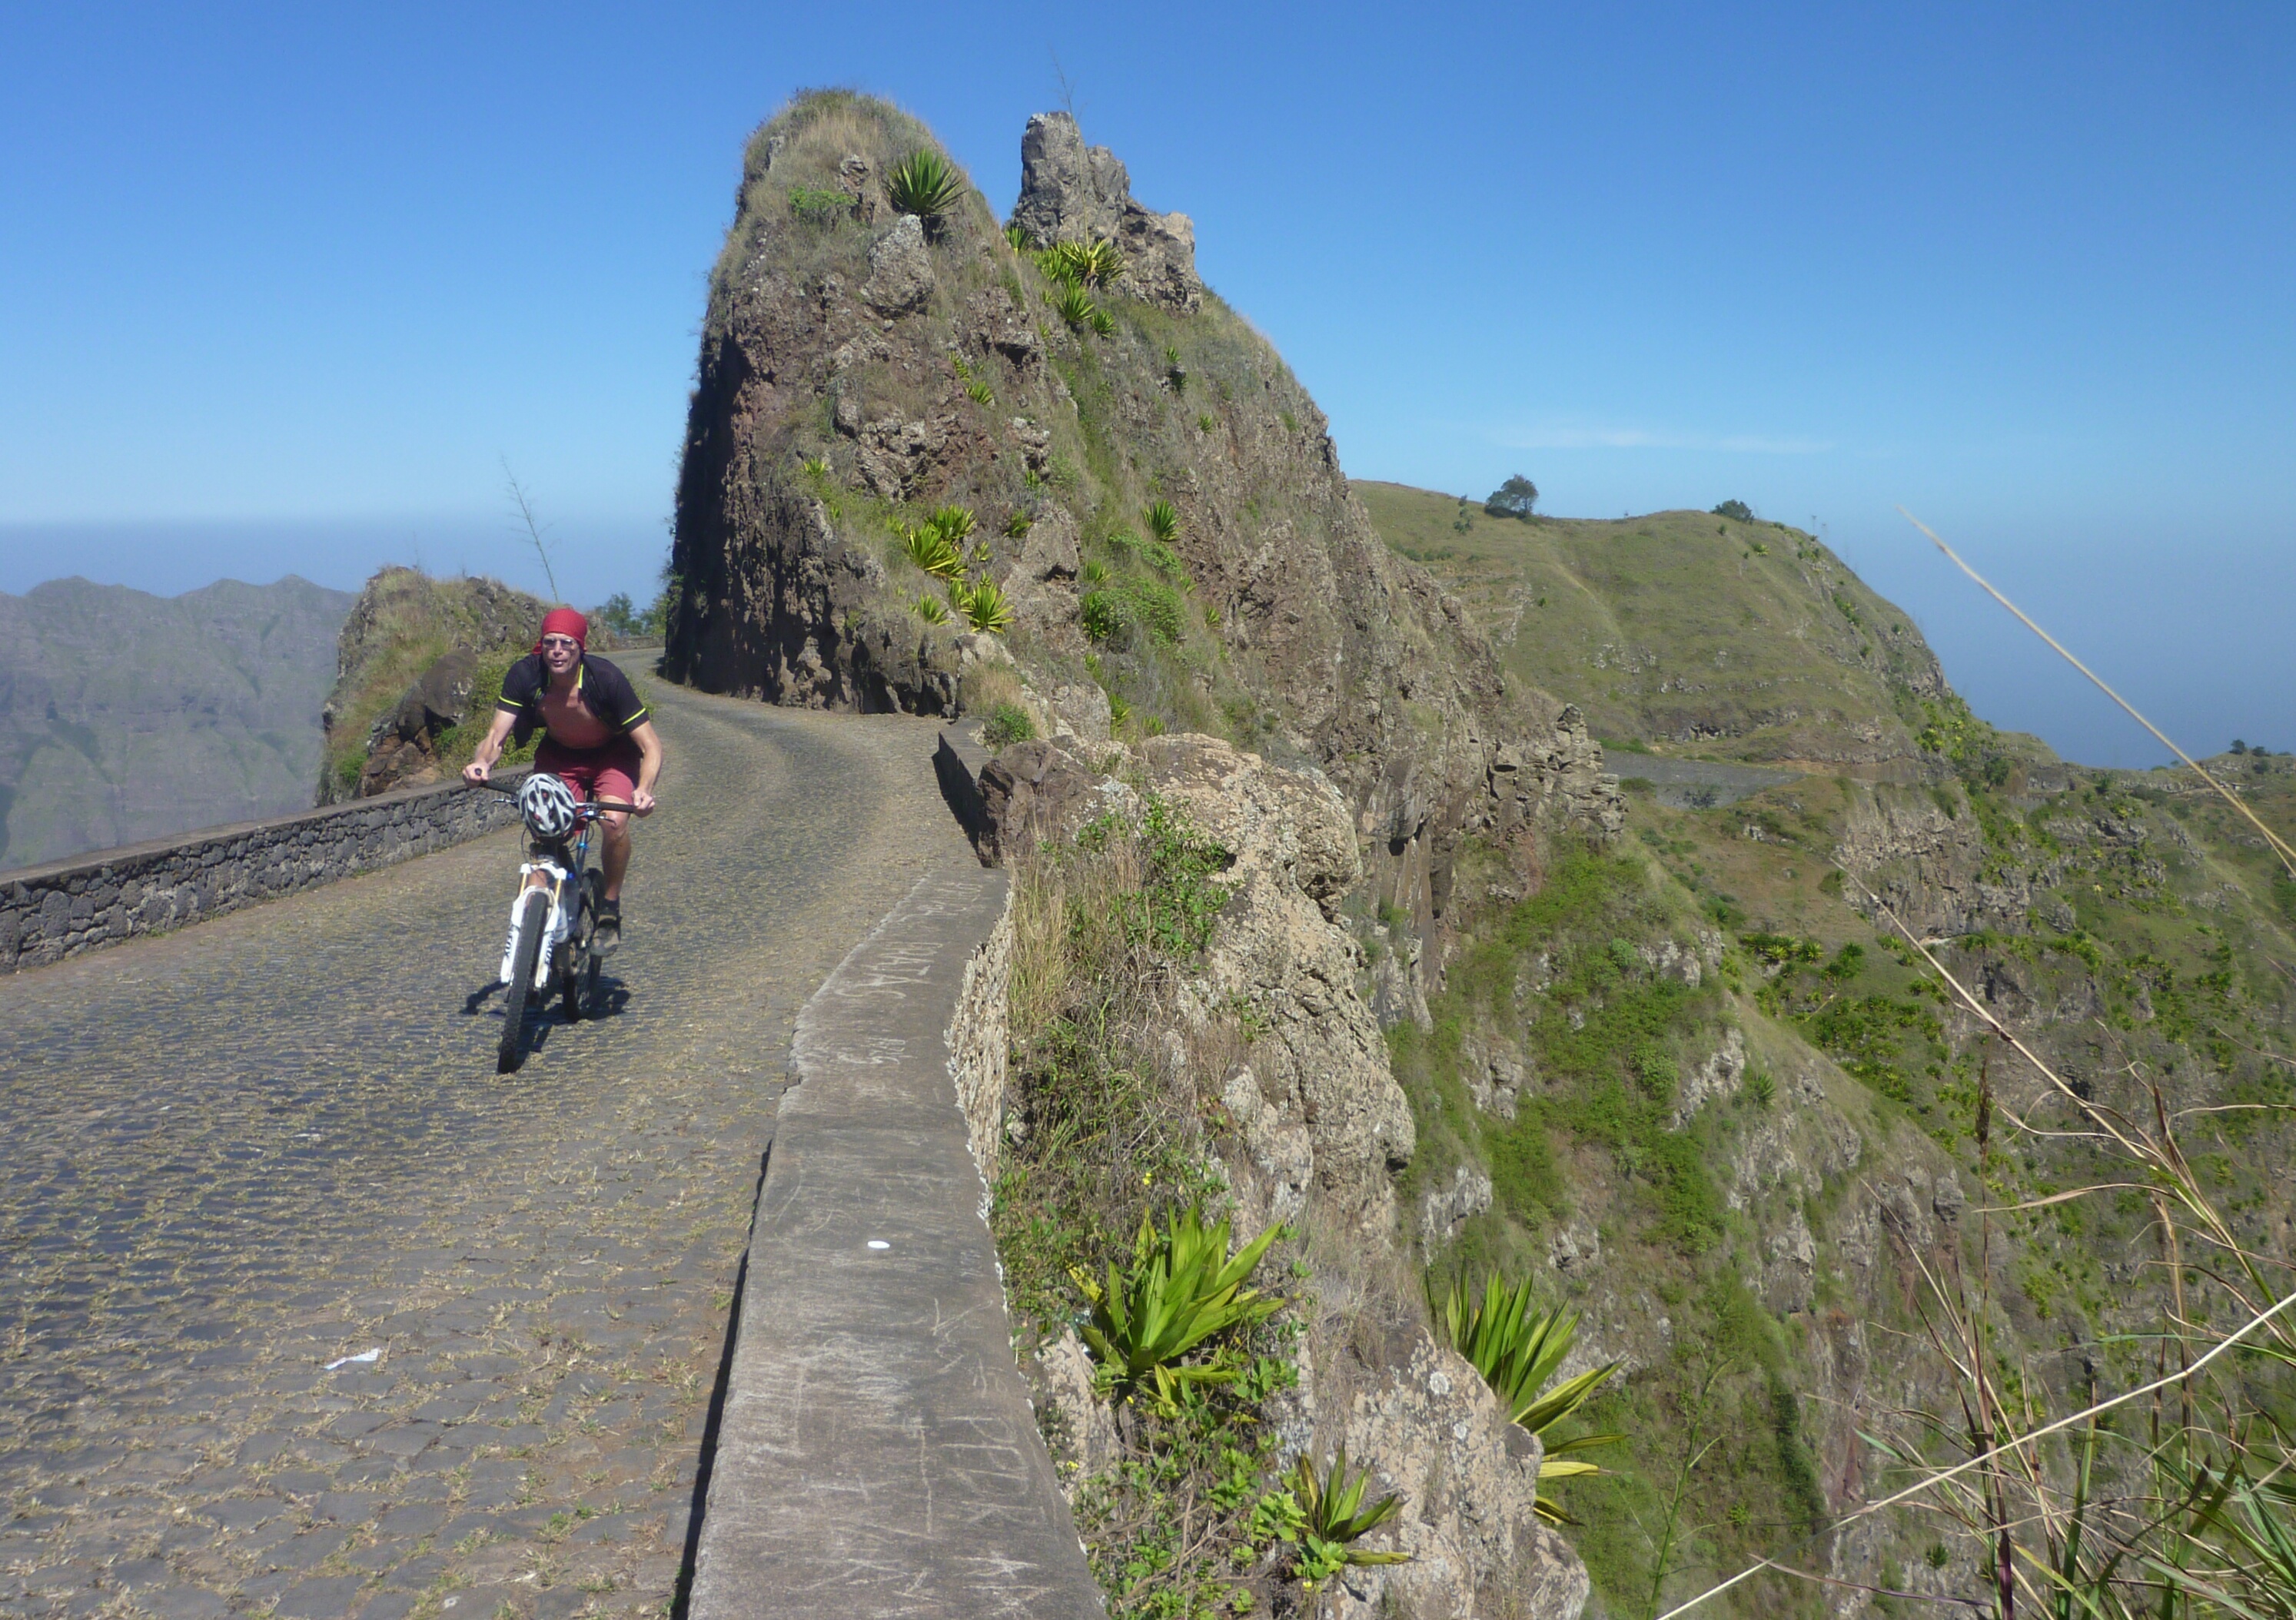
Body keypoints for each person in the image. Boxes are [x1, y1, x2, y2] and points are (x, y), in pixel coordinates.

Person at [464, 608, 662, 952]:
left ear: (580, 647)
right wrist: (481, 763)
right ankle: (538, 922)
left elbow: (651, 745)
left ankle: (609, 907)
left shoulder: (606, 679)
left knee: (614, 822)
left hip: (612, 755)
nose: (557, 651)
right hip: (560, 756)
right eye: (550, 643)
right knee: (546, 829)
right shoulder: (526, 675)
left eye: (566, 643)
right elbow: (496, 735)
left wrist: (643, 791)